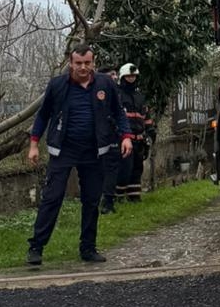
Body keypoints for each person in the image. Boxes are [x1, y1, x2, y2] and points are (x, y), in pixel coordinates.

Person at [27, 45, 132, 266]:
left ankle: (88, 248)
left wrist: (126, 136)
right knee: (52, 197)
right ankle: (36, 247)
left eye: (87, 63)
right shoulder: (57, 85)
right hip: (63, 150)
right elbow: (43, 115)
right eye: (78, 63)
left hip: (95, 151)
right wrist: (34, 144)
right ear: (70, 63)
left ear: (93, 63)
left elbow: (118, 112)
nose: (83, 68)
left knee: (92, 200)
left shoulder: (105, 84)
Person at [116, 62, 150, 202]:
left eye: (133, 76)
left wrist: (149, 135)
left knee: (137, 169)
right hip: (124, 139)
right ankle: (117, 198)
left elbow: (147, 118)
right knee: (124, 169)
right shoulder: (118, 95)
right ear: (123, 77)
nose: (131, 79)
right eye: (128, 76)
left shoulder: (140, 97)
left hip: (139, 139)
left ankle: (134, 197)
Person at [99, 64, 122, 215]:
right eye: (110, 74)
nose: (114, 77)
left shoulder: (118, 93)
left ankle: (108, 201)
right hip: (99, 137)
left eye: (115, 74)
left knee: (112, 169)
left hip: (114, 136)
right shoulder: (97, 92)